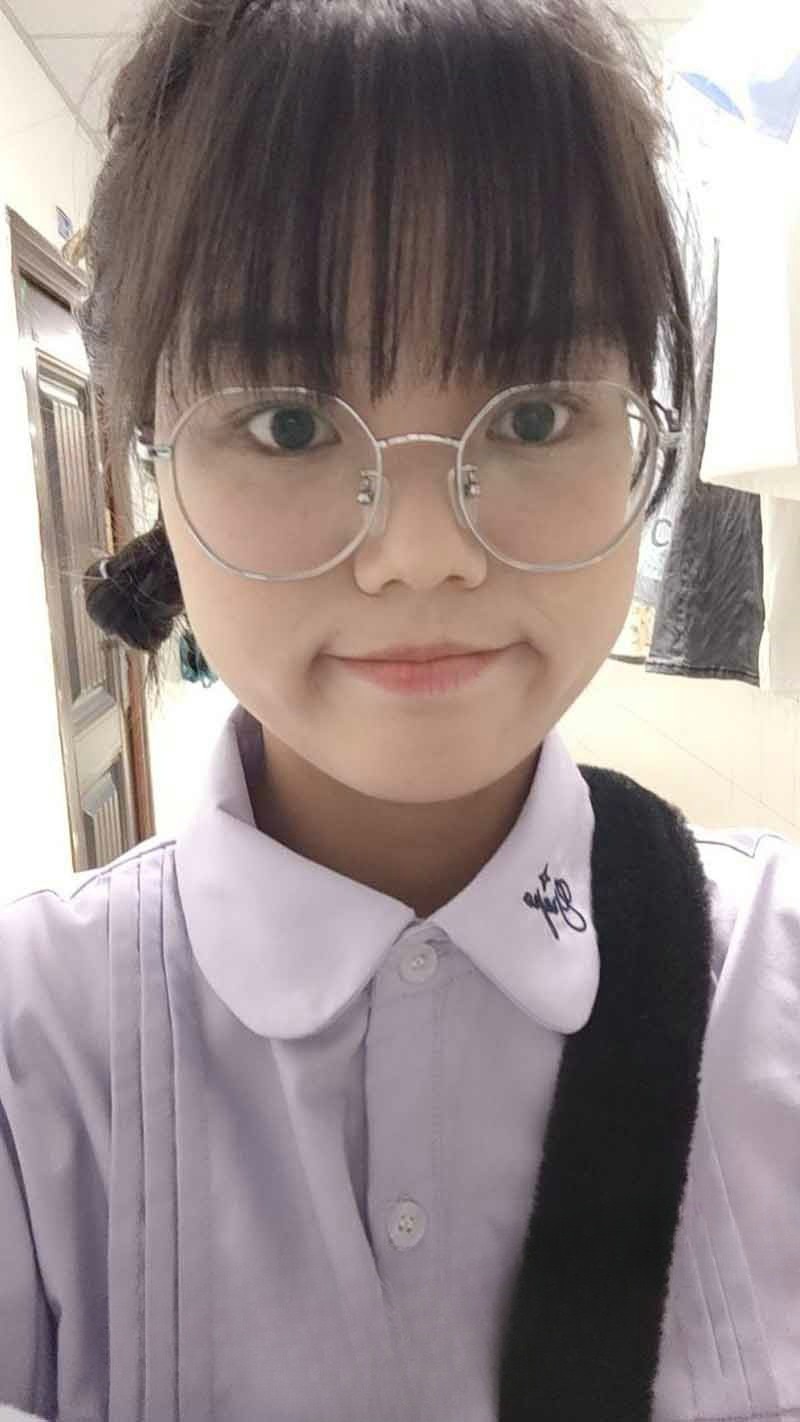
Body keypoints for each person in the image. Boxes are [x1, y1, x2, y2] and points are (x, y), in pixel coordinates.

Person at [1, 2, 798, 1419]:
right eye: (292, 423)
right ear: (151, 463)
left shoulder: (776, 987)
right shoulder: (30, 1056)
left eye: (534, 412)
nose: (422, 552)